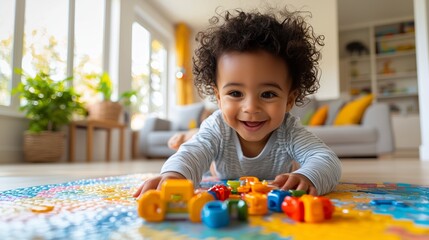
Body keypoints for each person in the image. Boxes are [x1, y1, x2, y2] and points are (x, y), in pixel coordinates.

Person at [134, 7, 342, 198]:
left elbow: (326, 160)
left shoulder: (289, 131)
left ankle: (194, 134)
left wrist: (307, 176)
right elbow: (193, 155)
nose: (251, 107)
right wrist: (174, 174)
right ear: (218, 97)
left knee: (202, 140)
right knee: (199, 145)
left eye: (268, 94)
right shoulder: (219, 127)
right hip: (217, 165)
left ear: (289, 101)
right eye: (235, 93)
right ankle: (193, 135)